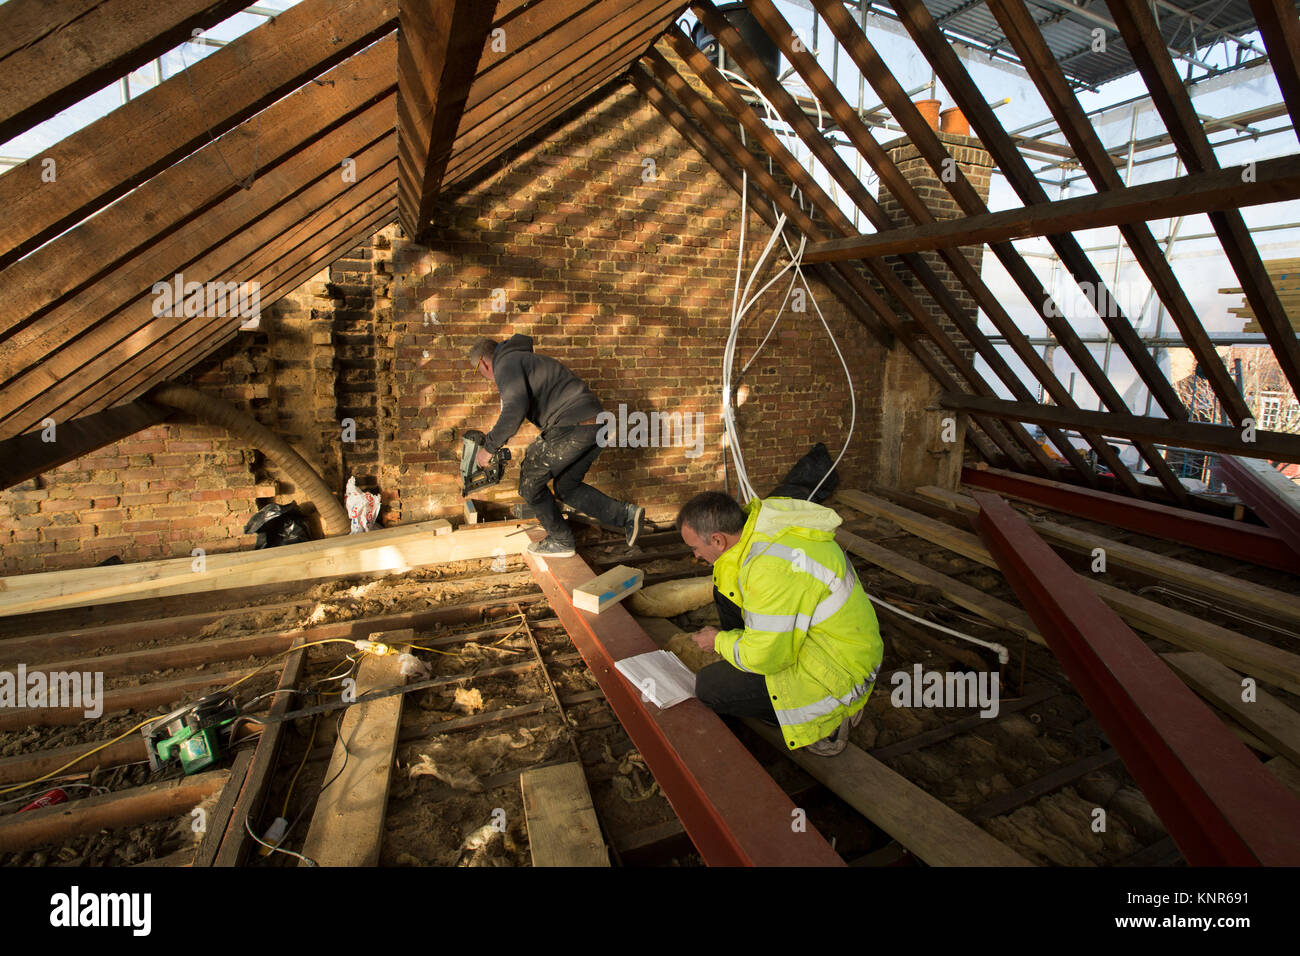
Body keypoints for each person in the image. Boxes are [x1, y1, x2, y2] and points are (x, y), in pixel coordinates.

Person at [676, 491, 882, 756]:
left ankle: (827, 722)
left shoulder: (770, 570)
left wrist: (717, 641)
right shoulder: (764, 525)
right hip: (835, 642)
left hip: (836, 672)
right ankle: (749, 676)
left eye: (695, 548)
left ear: (717, 540)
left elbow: (766, 658)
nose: (695, 555)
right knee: (724, 588)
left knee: (710, 687)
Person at [469, 335, 644, 557]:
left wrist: (489, 448)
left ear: (483, 363)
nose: (485, 377)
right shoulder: (521, 360)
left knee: (530, 484)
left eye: (479, 372)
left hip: (573, 426)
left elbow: (513, 410)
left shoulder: (506, 364)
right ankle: (627, 516)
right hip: (597, 424)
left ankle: (561, 542)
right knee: (567, 487)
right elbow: (518, 411)